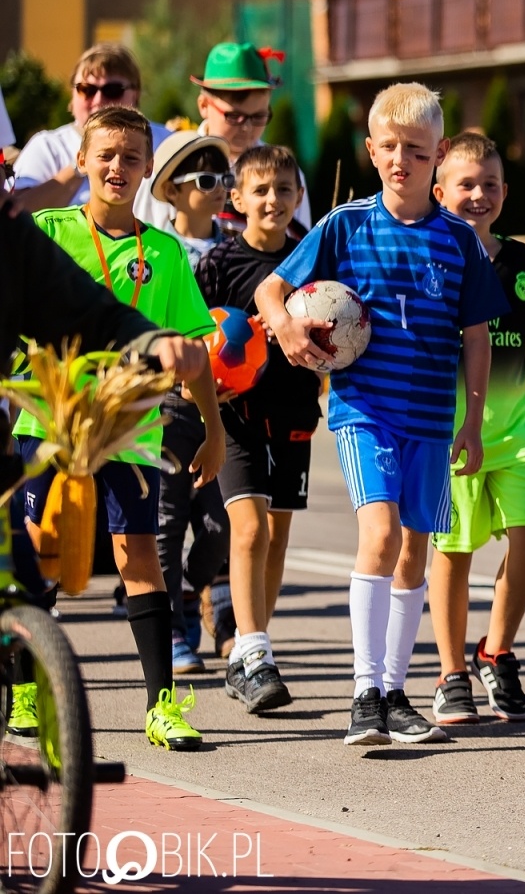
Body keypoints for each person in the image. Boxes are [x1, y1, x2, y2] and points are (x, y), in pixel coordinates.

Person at [257, 82, 505, 747]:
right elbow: (270, 287)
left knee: (415, 551)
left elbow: (477, 337)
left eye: (417, 151)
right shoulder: (345, 224)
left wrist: (473, 424)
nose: (402, 160)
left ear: (439, 154)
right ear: (371, 150)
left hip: (430, 417)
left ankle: (396, 693)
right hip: (363, 410)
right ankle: (364, 691)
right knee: (380, 536)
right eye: (389, 148)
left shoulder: (458, 242)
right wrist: (284, 327)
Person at [13, 107, 221, 751]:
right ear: (81, 161)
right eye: (105, 155)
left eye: (132, 158)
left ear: (145, 170)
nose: (117, 167)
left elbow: (193, 347)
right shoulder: (45, 231)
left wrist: (212, 428)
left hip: (130, 434)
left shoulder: (161, 253)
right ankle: (23, 695)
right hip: (47, 423)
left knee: (139, 560)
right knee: (35, 555)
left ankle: (161, 706)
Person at [427, 133, 525, 725]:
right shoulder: (432, 256)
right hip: (450, 436)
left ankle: (496, 650)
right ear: (440, 192)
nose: (479, 194)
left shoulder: (522, 264)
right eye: (466, 184)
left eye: (490, 184)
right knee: (455, 553)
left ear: (505, 193)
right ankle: (450, 674)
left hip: (515, 434)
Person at [196, 145, 323, 714]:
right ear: (238, 199)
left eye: (285, 190)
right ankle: (258, 655)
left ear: (299, 197)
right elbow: (195, 341)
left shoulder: (310, 263)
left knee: (276, 538)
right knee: (248, 533)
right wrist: (199, 388)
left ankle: (247, 655)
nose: (273, 200)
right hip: (235, 419)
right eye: (262, 190)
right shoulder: (219, 264)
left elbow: (335, 333)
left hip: (294, 415)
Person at [148, 132, 236, 678]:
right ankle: (173, 630)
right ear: (174, 192)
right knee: (164, 522)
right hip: (162, 408)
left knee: (218, 527)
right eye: (206, 181)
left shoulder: (233, 245)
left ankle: (196, 587)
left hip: (221, 407)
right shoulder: (155, 250)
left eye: (225, 180)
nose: (220, 190)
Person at [134, 42, 312, 235]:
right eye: (234, 116)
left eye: (259, 116)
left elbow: (300, 248)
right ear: (203, 106)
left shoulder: (283, 172)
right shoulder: (171, 163)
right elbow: (145, 235)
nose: (247, 127)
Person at [11, 43, 172, 212]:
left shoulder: (166, 142)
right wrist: (81, 166)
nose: (98, 100)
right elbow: (18, 211)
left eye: (113, 90)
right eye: (86, 89)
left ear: (136, 94)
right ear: (72, 96)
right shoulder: (48, 146)